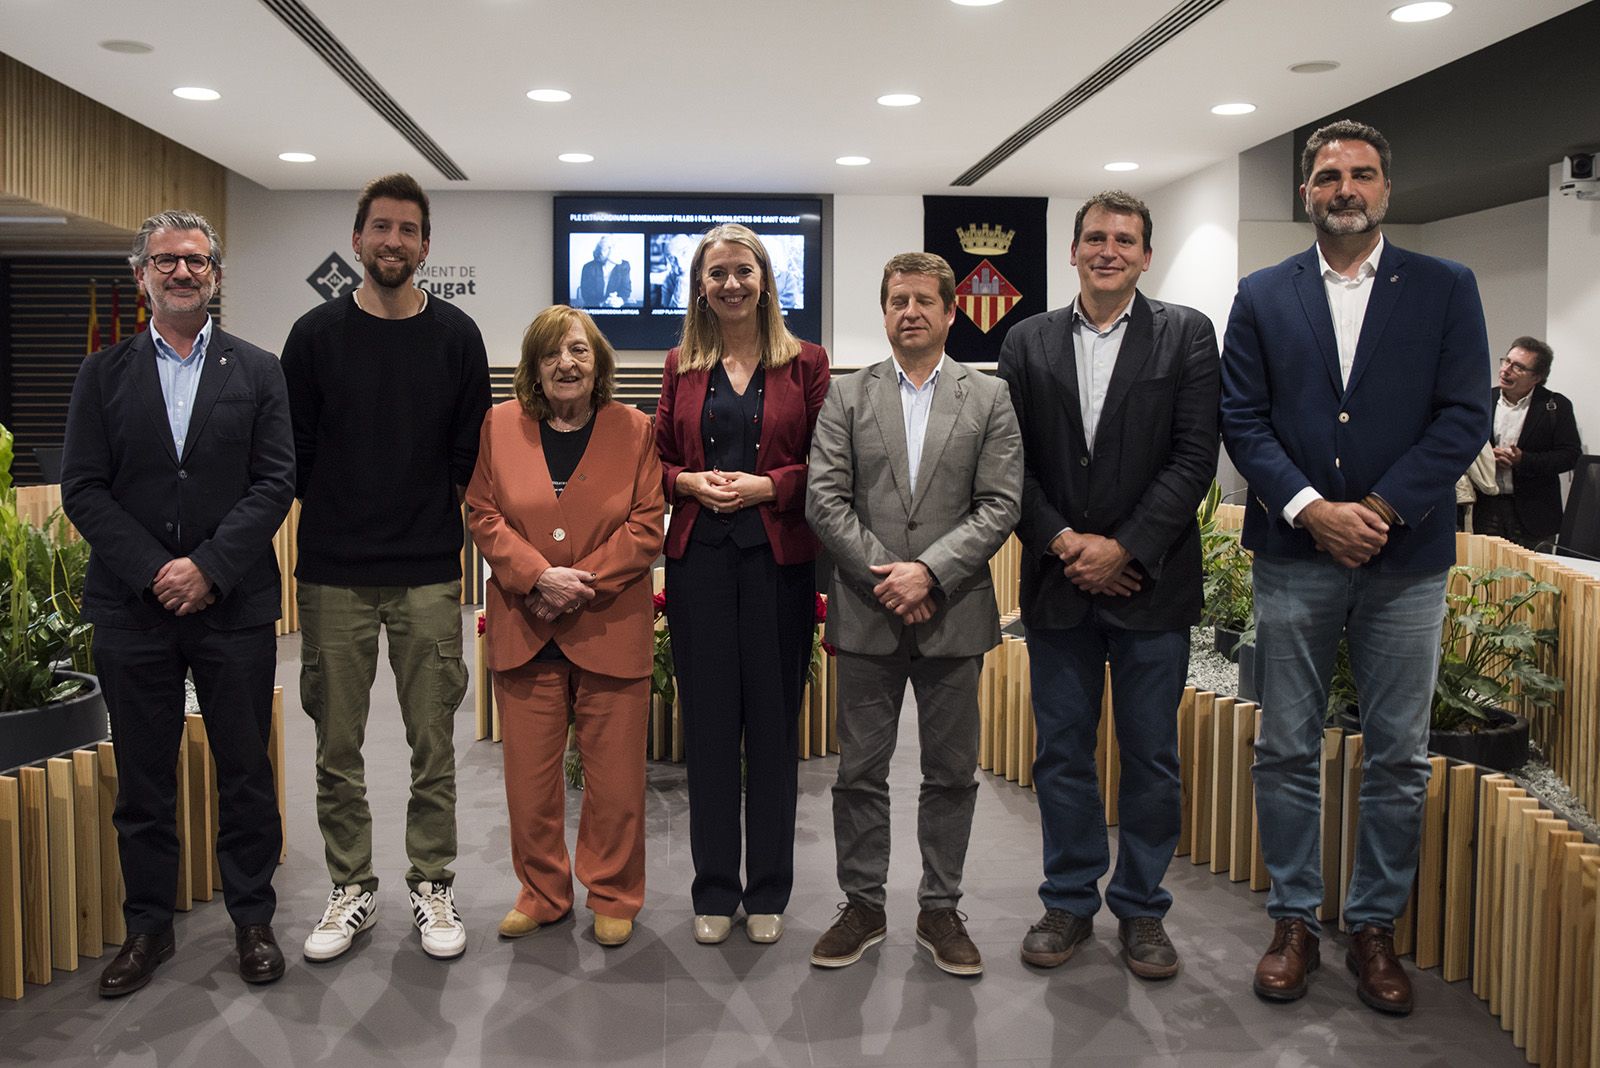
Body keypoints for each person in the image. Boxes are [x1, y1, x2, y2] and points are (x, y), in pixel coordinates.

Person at [1220, 120, 1491, 1015]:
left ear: (1386, 188)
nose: (1346, 189)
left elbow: (1463, 415)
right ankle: (1294, 920)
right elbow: (1242, 418)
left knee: (1400, 756)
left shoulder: (1446, 287)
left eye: (1363, 174)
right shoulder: (1263, 294)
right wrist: (1311, 510)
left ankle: (1374, 926)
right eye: (1330, 175)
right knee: (1286, 748)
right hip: (1294, 555)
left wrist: (1377, 511)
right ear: (1306, 191)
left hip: (1404, 557)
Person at [62, 210, 295, 995]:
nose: (182, 272)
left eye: (196, 261)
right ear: (142, 276)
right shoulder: (102, 374)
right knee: (143, 778)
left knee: (245, 770)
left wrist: (208, 569)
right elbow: (83, 489)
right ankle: (148, 928)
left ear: (216, 276)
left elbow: (275, 482)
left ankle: (253, 919)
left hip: (232, 605)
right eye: (166, 261)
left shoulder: (257, 370)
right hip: (133, 610)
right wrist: (158, 571)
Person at [997, 191, 1220, 978]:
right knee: (1062, 753)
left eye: (1125, 240)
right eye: (1095, 237)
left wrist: (1125, 548)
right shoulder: (1026, 340)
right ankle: (1068, 900)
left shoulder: (1187, 334)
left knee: (1151, 754)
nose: (1108, 250)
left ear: (1146, 256)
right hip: (1059, 584)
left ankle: (1141, 907)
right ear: (1073, 250)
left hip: (1150, 586)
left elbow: (1194, 456)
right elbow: (1009, 460)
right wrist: (1065, 542)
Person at [281, 173, 491, 963]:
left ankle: (432, 883)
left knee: (432, 741)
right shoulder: (313, 336)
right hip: (332, 573)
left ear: (425, 246)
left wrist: (423, 516)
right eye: (381, 227)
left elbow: (469, 454)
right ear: (357, 239)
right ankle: (352, 887)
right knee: (336, 746)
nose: (393, 241)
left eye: (408, 230)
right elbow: (295, 453)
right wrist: (347, 509)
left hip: (428, 572)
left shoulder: (458, 337)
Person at [805, 252, 1021, 976]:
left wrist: (929, 573)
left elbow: (1000, 504)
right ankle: (863, 905)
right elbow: (825, 500)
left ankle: (940, 909)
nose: (911, 312)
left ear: (951, 312)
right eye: (898, 300)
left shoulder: (988, 397)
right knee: (859, 773)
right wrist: (889, 579)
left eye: (925, 300)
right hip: (868, 615)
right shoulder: (847, 395)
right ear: (884, 311)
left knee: (952, 774)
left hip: (953, 614)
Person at [654, 223, 830, 946]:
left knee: (772, 727)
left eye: (743, 271)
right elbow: (656, 461)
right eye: (717, 273)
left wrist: (769, 487)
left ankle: (768, 892)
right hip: (698, 564)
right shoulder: (680, 364)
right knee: (709, 727)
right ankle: (715, 890)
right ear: (701, 285)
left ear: (765, 281)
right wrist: (687, 482)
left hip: (777, 565)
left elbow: (830, 463)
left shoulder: (807, 362)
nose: (731, 284)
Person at [467, 306, 664, 948]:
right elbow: (483, 513)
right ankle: (542, 893)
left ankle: (613, 893)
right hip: (526, 628)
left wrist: (577, 583)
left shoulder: (635, 430)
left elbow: (646, 526)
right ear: (533, 366)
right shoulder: (499, 426)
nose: (566, 364)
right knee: (528, 784)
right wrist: (536, 577)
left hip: (609, 626)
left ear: (598, 362)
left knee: (616, 784)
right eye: (551, 353)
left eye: (578, 351)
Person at [1474, 337, 1581, 549]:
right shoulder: (1483, 399)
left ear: (1537, 377)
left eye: (1518, 367)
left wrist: (1523, 460)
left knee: (1534, 569)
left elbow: (1570, 456)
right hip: (1486, 508)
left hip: (1535, 512)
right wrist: (1486, 457)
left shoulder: (1555, 405)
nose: (1506, 370)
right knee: (1484, 567)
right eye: (1506, 361)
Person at [579, 236, 632, 308]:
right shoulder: (589, 268)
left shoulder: (624, 266)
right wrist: (604, 303)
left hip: (616, 309)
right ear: (604, 252)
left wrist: (620, 300)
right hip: (594, 310)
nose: (621, 252)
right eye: (617, 249)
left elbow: (626, 290)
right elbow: (587, 296)